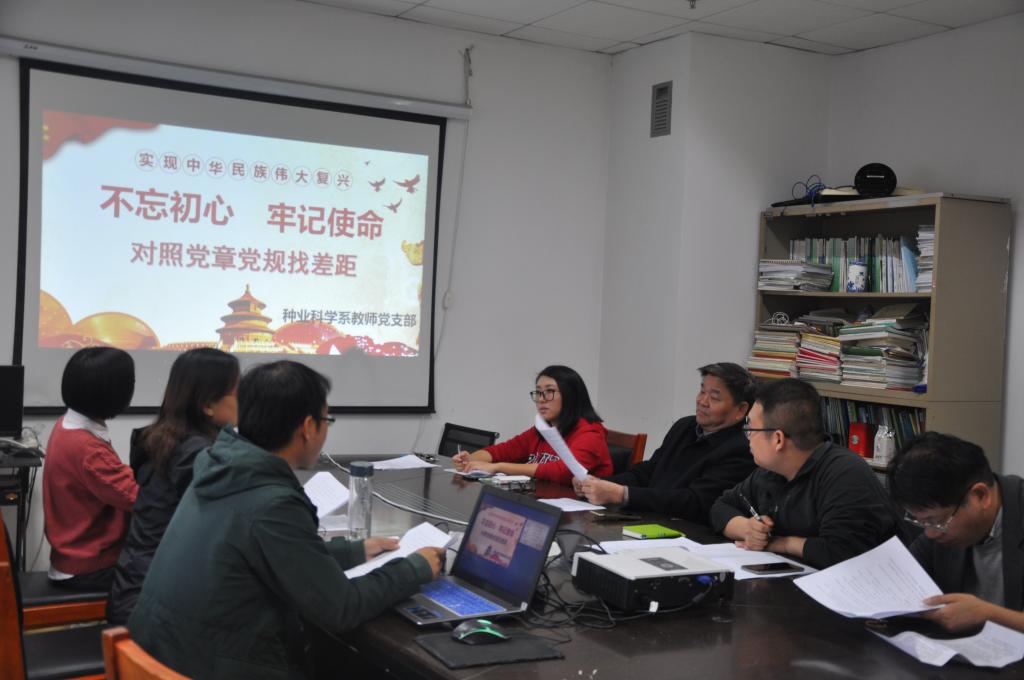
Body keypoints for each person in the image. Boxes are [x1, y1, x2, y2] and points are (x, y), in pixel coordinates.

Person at [129, 361, 444, 678]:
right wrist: (415, 568)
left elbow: (278, 553)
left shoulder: (220, 468)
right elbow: (341, 608)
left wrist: (355, 550)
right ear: (307, 427)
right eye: (326, 420)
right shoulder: (272, 502)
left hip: (159, 658)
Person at [106, 348, 240, 624]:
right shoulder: (199, 456)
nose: (246, 400)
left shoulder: (165, 439)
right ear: (208, 405)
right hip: (157, 608)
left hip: (138, 590)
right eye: (238, 392)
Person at [710, 378, 895, 569]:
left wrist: (783, 543)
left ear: (778, 439)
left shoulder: (846, 474)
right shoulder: (771, 471)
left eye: (751, 429)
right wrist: (747, 529)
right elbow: (721, 507)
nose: (747, 436)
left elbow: (842, 553)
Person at [574, 362, 756, 524]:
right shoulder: (685, 426)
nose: (702, 401)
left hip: (690, 534)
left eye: (714, 397)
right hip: (650, 520)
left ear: (741, 410)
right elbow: (648, 472)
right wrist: (596, 484)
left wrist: (622, 494)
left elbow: (695, 502)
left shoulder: (742, 448)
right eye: (702, 391)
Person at [889, 432, 1024, 633]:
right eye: (920, 521)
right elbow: (900, 579)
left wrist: (988, 614)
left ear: (980, 496)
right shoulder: (943, 525)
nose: (930, 534)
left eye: (936, 521)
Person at [42, 347, 138, 590]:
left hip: (71, 559)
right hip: (89, 566)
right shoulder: (87, 449)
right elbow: (137, 497)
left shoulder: (67, 425)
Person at [452, 365, 611, 485]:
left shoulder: (590, 433)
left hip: (583, 511)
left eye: (549, 392)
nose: (541, 399)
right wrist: (470, 460)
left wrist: (498, 467)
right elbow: (504, 451)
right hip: (544, 501)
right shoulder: (543, 429)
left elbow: (565, 471)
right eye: (538, 392)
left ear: (571, 396)